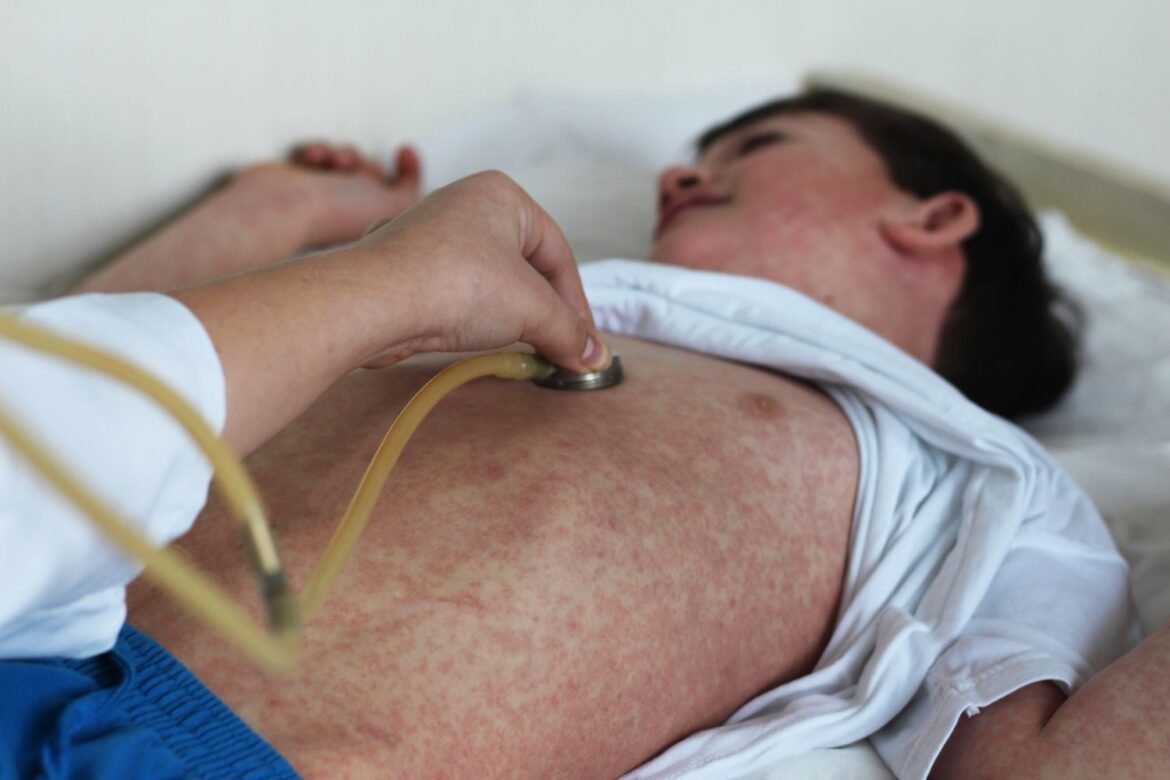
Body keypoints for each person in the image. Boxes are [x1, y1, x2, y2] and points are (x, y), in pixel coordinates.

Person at [1, 89, 1164, 779]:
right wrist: (276, 225)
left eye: (745, 153)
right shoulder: (458, 281)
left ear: (933, 216)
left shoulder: (987, 483)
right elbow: (66, 394)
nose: (675, 172)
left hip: (211, 749)